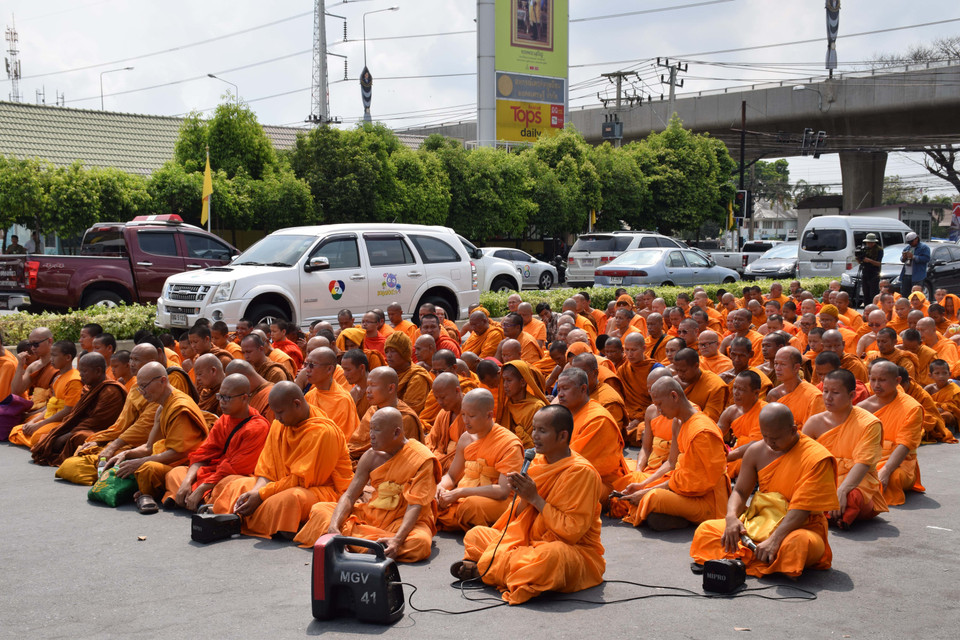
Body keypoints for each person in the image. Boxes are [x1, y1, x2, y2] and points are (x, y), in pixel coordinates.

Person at [453, 404, 605, 605]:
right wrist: (523, 497)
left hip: (572, 550)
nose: (534, 436)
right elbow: (517, 519)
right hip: (528, 541)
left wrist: (534, 498)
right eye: (534, 429)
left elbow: (572, 531)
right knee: (476, 535)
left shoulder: (581, 472)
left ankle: (483, 569)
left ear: (562, 436)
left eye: (542, 431)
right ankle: (501, 570)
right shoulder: (537, 462)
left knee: (550, 558)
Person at [690, 403, 839, 578]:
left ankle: (743, 557)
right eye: (765, 436)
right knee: (706, 530)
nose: (769, 443)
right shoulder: (757, 450)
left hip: (798, 527)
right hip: (758, 522)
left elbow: (801, 510)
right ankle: (763, 559)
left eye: (774, 439)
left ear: (793, 430)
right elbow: (740, 491)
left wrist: (774, 540)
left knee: (798, 545)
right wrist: (731, 518)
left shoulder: (816, 458)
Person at [294, 407, 440, 561]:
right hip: (372, 515)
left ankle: (356, 543)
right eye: (370, 429)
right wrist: (334, 527)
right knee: (321, 510)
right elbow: (350, 496)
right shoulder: (371, 456)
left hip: (403, 522)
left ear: (396, 433)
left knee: (420, 543)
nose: (371, 435)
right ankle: (376, 547)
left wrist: (397, 540)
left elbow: (415, 505)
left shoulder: (421, 459)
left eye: (377, 430)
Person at [211, 382, 353, 538]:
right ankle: (253, 518)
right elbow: (267, 470)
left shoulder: (322, 432)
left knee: (290, 499)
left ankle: (242, 518)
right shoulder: (279, 424)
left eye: (280, 412)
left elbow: (300, 480)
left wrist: (261, 496)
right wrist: (256, 492)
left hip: (319, 489)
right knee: (235, 483)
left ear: (297, 404)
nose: (277, 418)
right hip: (280, 484)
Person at [613, 377, 729, 530]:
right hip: (684, 486)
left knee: (653, 497)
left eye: (660, 404)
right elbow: (673, 463)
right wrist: (643, 485)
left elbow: (700, 481)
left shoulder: (702, 431)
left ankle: (688, 517)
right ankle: (676, 515)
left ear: (674, 396)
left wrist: (649, 490)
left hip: (707, 499)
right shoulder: (679, 422)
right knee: (640, 491)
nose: (658, 411)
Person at [103, 362, 210, 514]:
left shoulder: (180, 407)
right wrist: (126, 454)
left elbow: (181, 453)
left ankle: (145, 493)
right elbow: (149, 446)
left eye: (144, 386)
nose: (142, 392)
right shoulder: (162, 407)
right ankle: (145, 490)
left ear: (162, 381)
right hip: (170, 459)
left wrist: (139, 462)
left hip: (188, 464)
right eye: (139, 387)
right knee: (124, 459)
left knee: (148, 468)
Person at [162, 373, 271, 511]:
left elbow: (238, 467)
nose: (221, 402)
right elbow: (204, 453)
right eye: (220, 396)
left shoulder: (258, 426)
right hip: (213, 471)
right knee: (177, 472)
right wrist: (187, 481)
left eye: (227, 398)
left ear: (244, 398)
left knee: (233, 484)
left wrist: (203, 487)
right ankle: (198, 499)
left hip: (231, 475)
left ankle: (196, 499)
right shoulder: (224, 419)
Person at [802, 370, 888, 529]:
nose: (828, 397)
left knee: (852, 498)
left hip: (856, 481)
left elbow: (863, 463)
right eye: (825, 391)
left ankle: (818, 512)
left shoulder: (869, 424)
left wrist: (843, 490)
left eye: (835, 393)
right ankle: (829, 513)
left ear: (852, 395)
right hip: (824, 479)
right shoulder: (814, 423)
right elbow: (801, 458)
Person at [436, 389, 523, 532]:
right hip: (466, 494)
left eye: (471, 416)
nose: (465, 421)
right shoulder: (466, 438)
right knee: (429, 498)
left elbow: (503, 491)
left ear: (489, 415)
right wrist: (440, 487)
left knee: (470, 506)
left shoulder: (508, 444)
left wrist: (459, 493)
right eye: (463, 414)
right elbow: (451, 476)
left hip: (499, 501)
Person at [30, 354, 127, 467]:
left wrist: (69, 433)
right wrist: (65, 428)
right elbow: (76, 414)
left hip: (102, 431)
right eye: (80, 371)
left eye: (84, 371)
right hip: (83, 426)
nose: (80, 375)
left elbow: (99, 421)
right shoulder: (88, 388)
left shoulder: (111, 391)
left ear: (98, 371)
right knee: (49, 437)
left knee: (78, 437)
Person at [859, 360, 925, 506]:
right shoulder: (862, 407)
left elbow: (905, 444)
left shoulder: (911, 408)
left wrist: (886, 470)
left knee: (894, 477)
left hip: (900, 462)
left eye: (882, 380)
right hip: (867, 458)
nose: (876, 385)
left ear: (897, 381)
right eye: (873, 379)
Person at [555, 368, 628, 499]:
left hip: (598, 482)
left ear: (583, 389)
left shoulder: (598, 419)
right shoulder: (566, 413)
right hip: (565, 471)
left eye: (565, 389)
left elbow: (576, 464)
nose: (560, 394)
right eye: (558, 389)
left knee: (561, 486)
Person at [8, 340, 83, 448]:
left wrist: (40, 424)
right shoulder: (58, 378)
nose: (51, 359)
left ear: (68, 357)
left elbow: (69, 410)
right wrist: (34, 421)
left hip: (64, 421)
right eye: (51, 355)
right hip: (51, 417)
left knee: (36, 437)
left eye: (54, 356)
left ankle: (46, 441)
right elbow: (50, 405)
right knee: (16, 430)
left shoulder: (74, 380)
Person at [349, 366, 424, 461]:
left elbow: (407, 458)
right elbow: (355, 446)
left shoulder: (405, 418)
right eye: (368, 385)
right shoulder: (373, 410)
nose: (368, 390)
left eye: (373, 385)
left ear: (390, 388)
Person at [302, 347, 359, 441]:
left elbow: (344, 438)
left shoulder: (343, 400)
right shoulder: (309, 396)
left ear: (329, 369)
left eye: (312, 365)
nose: (307, 370)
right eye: (306, 364)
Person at [717, 370, 766, 480]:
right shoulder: (731, 412)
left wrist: (723, 458)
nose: (736, 393)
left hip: (758, 456)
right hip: (736, 454)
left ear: (756, 393)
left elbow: (755, 445)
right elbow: (715, 434)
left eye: (742, 389)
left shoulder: (764, 412)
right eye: (735, 387)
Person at [766, 347, 825, 429]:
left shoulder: (814, 396)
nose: (777, 368)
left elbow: (816, 430)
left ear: (796, 368)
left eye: (783, 364)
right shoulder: (774, 395)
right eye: (776, 363)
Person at [496, 360, 547, 449]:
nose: (505, 385)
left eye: (509, 380)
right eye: (503, 380)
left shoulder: (537, 407)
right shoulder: (507, 405)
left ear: (522, 382)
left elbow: (537, 444)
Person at [673, 348, 728, 422]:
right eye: (677, 370)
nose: (679, 374)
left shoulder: (715, 386)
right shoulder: (675, 382)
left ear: (696, 366)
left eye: (683, 371)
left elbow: (709, 419)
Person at [384, 332, 433, 415]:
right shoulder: (385, 373)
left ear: (404, 353)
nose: (389, 355)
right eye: (387, 352)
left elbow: (409, 411)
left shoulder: (417, 377)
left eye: (393, 351)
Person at [899, 232, 930, 297]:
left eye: (911, 242)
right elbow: (902, 259)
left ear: (916, 239)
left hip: (918, 275)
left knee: (916, 294)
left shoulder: (924, 248)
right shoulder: (907, 248)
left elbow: (926, 258)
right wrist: (904, 257)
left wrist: (913, 257)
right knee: (905, 294)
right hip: (906, 274)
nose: (910, 244)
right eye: (909, 242)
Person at [857, 233, 883, 306]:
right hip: (865, 272)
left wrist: (869, 260)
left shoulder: (879, 250)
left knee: (873, 293)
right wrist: (859, 258)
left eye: (871, 242)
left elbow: (878, 263)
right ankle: (867, 308)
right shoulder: (865, 249)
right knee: (866, 294)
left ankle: (874, 307)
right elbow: (861, 261)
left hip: (874, 273)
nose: (869, 244)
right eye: (868, 242)